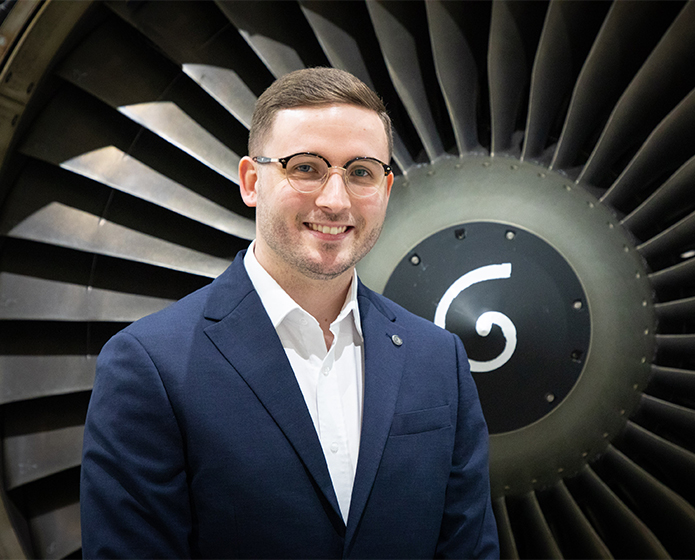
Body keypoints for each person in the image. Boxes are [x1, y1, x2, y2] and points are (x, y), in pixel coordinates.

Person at [80, 67, 499, 558]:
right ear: (251, 181)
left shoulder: (439, 360)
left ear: (385, 190)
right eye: (306, 168)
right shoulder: (149, 366)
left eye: (361, 172)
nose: (335, 200)